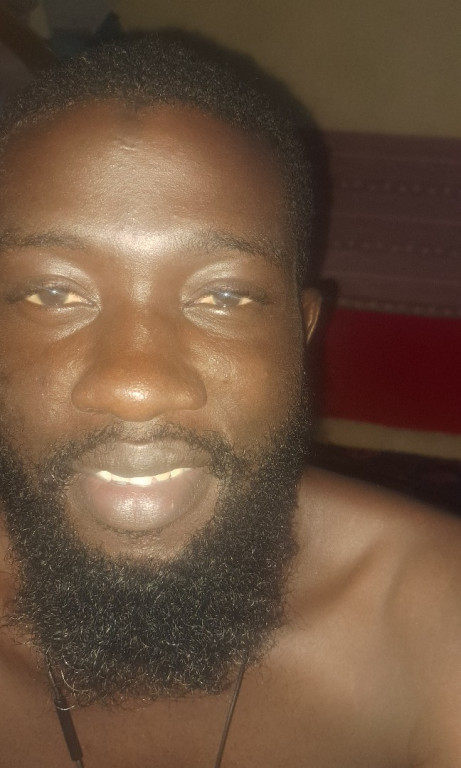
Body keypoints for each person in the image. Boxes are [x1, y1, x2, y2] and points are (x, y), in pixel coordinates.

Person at [0, 31, 460, 768]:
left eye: (224, 296)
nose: (136, 387)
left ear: (300, 332)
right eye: (52, 294)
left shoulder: (433, 621)